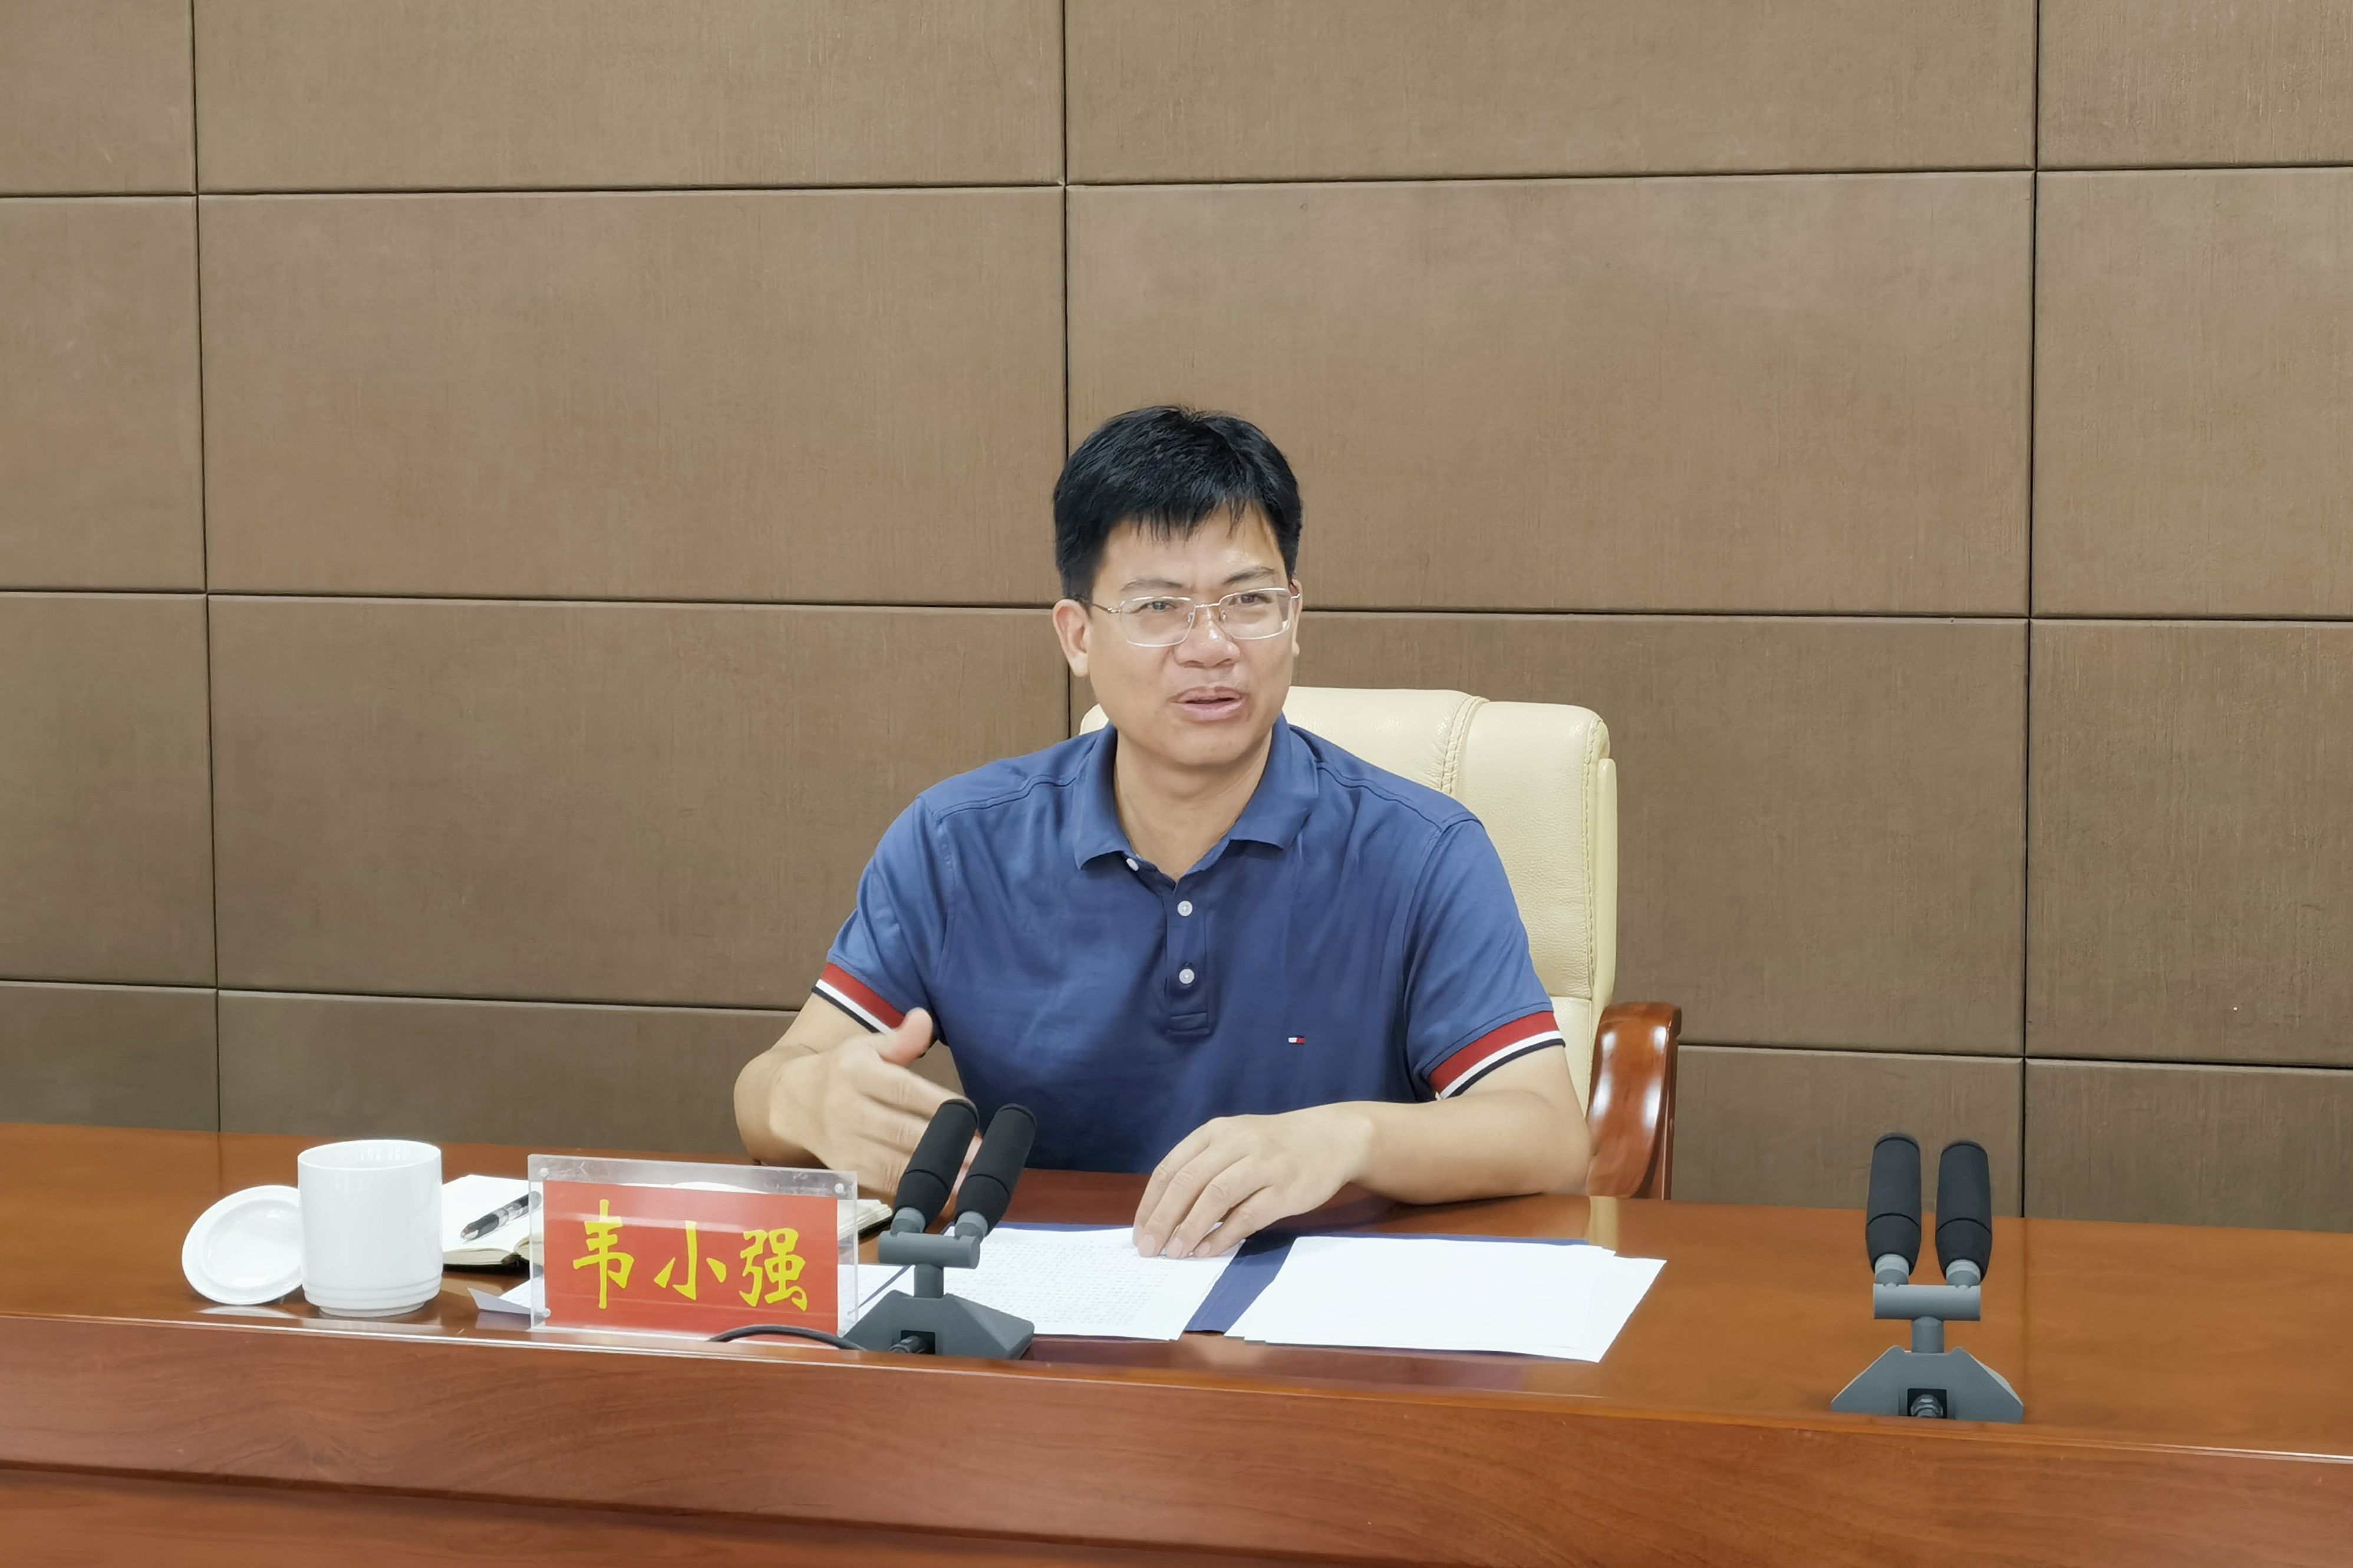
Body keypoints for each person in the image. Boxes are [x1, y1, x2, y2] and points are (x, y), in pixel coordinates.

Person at [734, 406, 1589, 1257]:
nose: (1211, 647)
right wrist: (803, 1101)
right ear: (1078, 636)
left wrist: (1345, 1138)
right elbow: (770, 1086)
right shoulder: (957, 844)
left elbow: (1549, 1135)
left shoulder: (1422, 850)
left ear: (1294, 619)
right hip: (1042, 1308)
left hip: (1323, 1306)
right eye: (1159, 607)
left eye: (1248, 601)